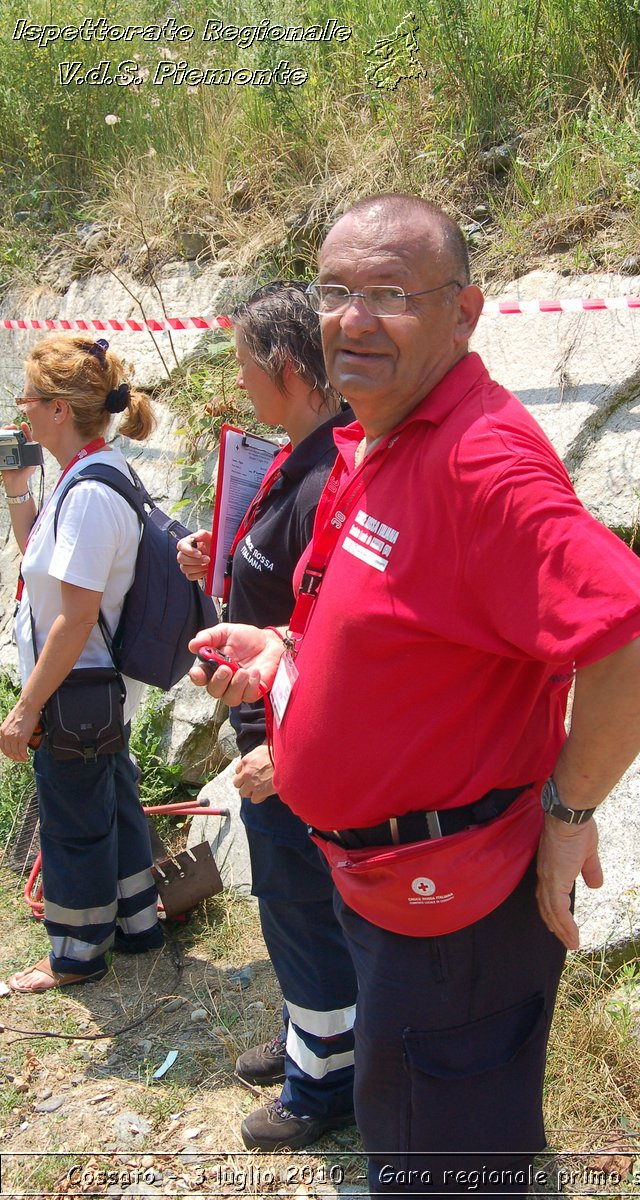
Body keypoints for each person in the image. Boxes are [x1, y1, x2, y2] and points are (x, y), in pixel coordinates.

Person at [190, 195, 640, 1194]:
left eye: (389, 294)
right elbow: (373, 612)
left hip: (452, 909)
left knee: (442, 1167)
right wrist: (285, 650)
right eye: (336, 291)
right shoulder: (381, 435)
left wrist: (568, 814)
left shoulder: (480, 466)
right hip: (388, 897)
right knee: (431, 1136)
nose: (352, 319)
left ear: (464, 314)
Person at [176, 283, 357, 1151]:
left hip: (294, 752)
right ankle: (304, 1040)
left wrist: (285, 756)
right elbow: (278, 577)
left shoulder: (334, 471)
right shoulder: (298, 454)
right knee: (288, 915)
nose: (241, 385)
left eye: (247, 368)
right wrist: (217, 558)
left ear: (286, 369)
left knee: (304, 914)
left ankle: (324, 1088)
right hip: (267, 734)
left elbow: (339, 636)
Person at [0, 333, 164, 991]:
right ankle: (137, 924)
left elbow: (72, 617)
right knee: (114, 802)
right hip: (95, 689)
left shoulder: (92, 492)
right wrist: (19, 491)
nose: (21, 410)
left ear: (60, 410)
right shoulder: (85, 477)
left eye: (29, 399)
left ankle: (75, 952)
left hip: (75, 690)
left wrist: (26, 707)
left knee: (73, 823)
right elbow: (44, 564)